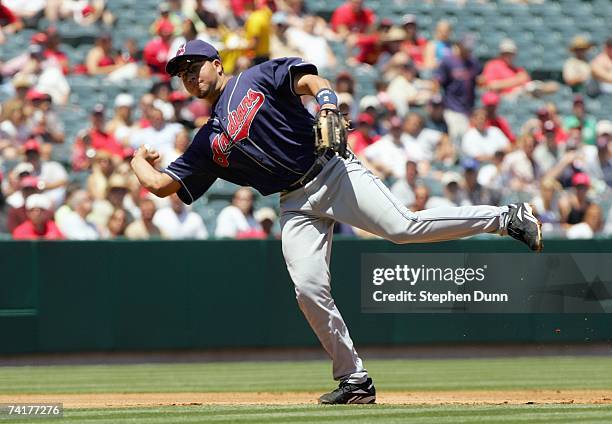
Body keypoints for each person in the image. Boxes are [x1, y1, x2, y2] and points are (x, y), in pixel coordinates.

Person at [130, 39, 544, 405]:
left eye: (193, 66)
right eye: (181, 73)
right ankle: (355, 378)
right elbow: (162, 185)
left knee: (403, 228)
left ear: (217, 63)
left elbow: (309, 79)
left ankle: (506, 217)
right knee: (308, 289)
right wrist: (135, 162)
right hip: (294, 201)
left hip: (332, 170)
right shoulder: (207, 141)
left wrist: (328, 102)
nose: (188, 76)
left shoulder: (253, 78)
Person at [434, 35, 482, 143]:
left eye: (470, 48)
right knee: (456, 138)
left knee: (468, 141)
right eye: (466, 47)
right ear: (459, 46)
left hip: (469, 109)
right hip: (452, 107)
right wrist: (437, 98)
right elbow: (437, 80)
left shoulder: (473, 63)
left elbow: (479, 79)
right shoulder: (448, 61)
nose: (468, 50)